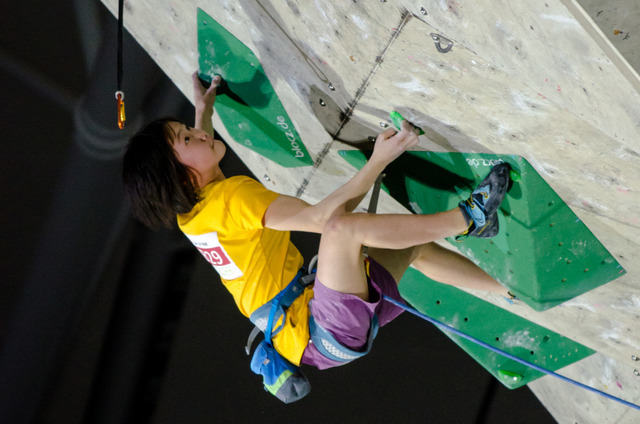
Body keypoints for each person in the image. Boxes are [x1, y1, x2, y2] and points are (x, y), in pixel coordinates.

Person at [122, 71, 511, 371]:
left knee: (414, 247)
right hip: (320, 327)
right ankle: (468, 218)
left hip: (320, 338)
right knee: (343, 230)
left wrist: (203, 112)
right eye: (188, 138)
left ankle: (505, 289)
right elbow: (324, 219)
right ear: (186, 177)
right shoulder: (232, 199)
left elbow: (194, 157)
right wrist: (379, 160)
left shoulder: (190, 213)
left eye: (187, 128)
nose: (197, 134)